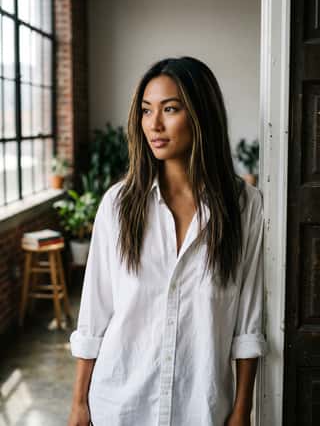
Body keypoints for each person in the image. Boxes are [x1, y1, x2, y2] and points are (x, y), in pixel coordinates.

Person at [67, 56, 267, 426]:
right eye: (146, 111)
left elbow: (248, 324)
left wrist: (242, 410)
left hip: (201, 410)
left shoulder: (245, 207)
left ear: (201, 114)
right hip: (120, 407)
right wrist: (79, 403)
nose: (153, 124)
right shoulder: (118, 205)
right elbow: (94, 316)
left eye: (170, 109)